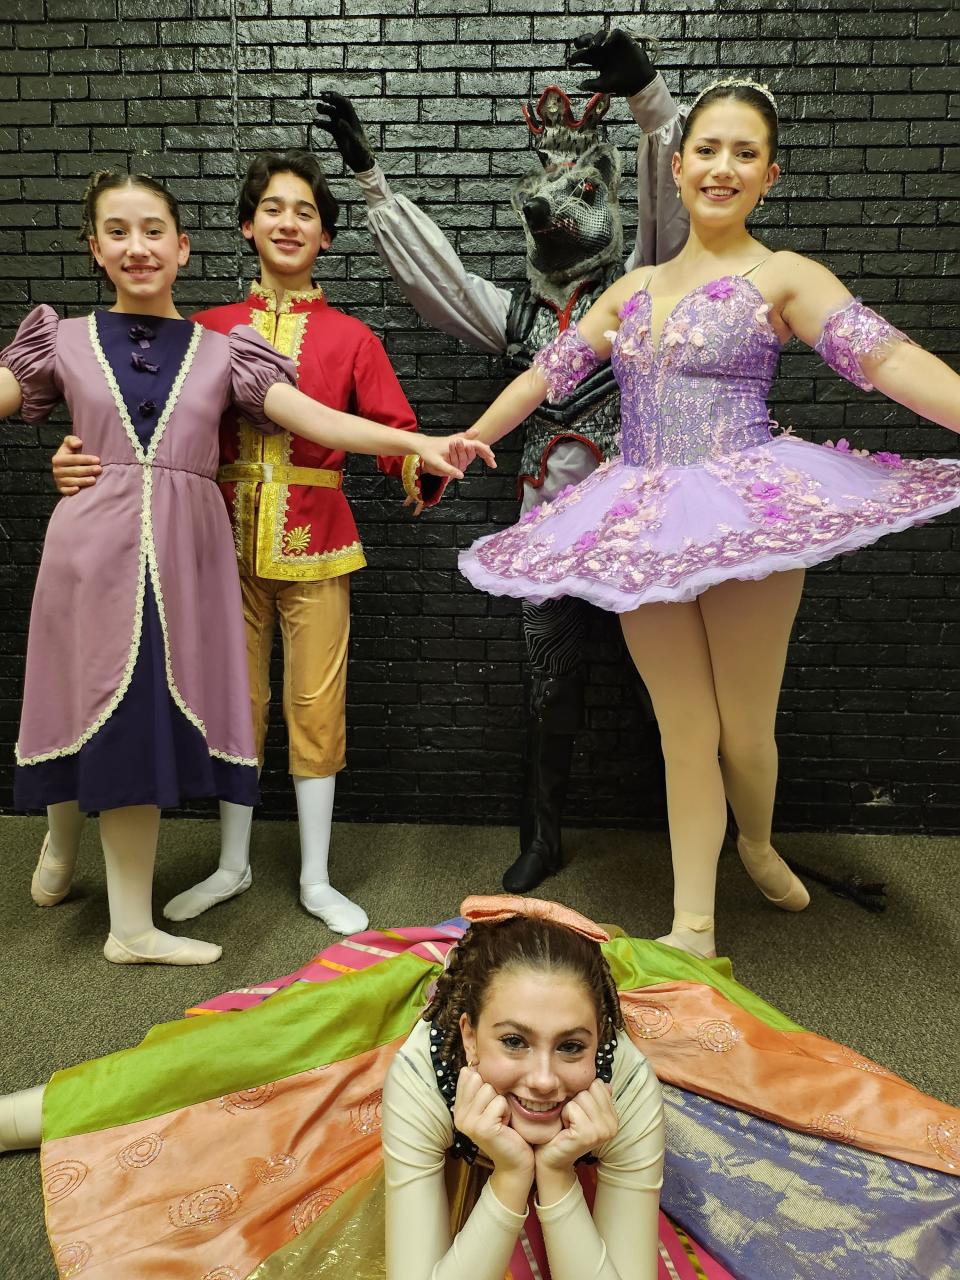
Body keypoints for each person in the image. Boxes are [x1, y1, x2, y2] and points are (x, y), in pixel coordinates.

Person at [456, 78, 960, 959]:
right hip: (644, 513)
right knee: (684, 727)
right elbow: (550, 374)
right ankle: (693, 925)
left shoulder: (786, 276)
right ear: (678, 164)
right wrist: (469, 437)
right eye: (709, 150)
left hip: (748, 510)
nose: (723, 167)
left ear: (771, 173)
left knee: (743, 728)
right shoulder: (633, 288)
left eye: (745, 153)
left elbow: (888, 359)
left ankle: (757, 843)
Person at [0, 169, 490, 967]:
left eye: (153, 229)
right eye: (117, 232)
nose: (137, 247)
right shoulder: (121, 334)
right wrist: (74, 459)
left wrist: (414, 447)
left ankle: (266, 884)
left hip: (251, 544)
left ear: (184, 246)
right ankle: (138, 851)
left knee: (253, 708)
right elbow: (60, 398)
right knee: (126, 703)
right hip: (151, 549)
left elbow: (333, 419)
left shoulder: (264, 346)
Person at [1, 895, 958, 1278]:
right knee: (235, 1070)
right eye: (514, 1045)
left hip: (540, 1005)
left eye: (569, 1048)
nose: (544, 1082)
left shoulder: (622, 1077)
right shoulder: (425, 1069)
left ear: (603, 1043)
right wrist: (503, 1183)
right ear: (466, 1033)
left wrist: (542, 1183)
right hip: (397, 1025)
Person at [316, 29, 690, 895]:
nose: (551, 212)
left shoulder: (642, 287)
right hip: (547, 537)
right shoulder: (522, 318)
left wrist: (650, 101)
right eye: (543, 199)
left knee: (667, 693)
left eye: (580, 194)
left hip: (641, 532)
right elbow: (439, 280)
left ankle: (701, 836)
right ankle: (544, 836)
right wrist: (372, 181)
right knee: (546, 688)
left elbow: (672, 221)